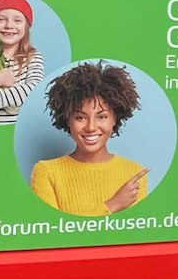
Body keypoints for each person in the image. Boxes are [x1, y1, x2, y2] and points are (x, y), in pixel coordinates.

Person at [28, 61, 149, 217]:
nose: (91, 127)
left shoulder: (134, 173)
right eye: (80, 117)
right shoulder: (46, 173)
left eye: (102, 116)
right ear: (67, 119)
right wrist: (112, 205)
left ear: (114, 118)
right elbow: (53, 236)